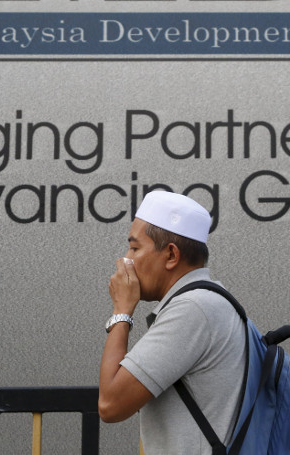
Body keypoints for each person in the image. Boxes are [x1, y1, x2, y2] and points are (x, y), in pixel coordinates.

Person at [98, 190, 247, 455]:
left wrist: (122, 311)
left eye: (134, 247)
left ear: (171, 256)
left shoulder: (193, 309)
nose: (125, 260)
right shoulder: (209, 300)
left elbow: (110, 404)